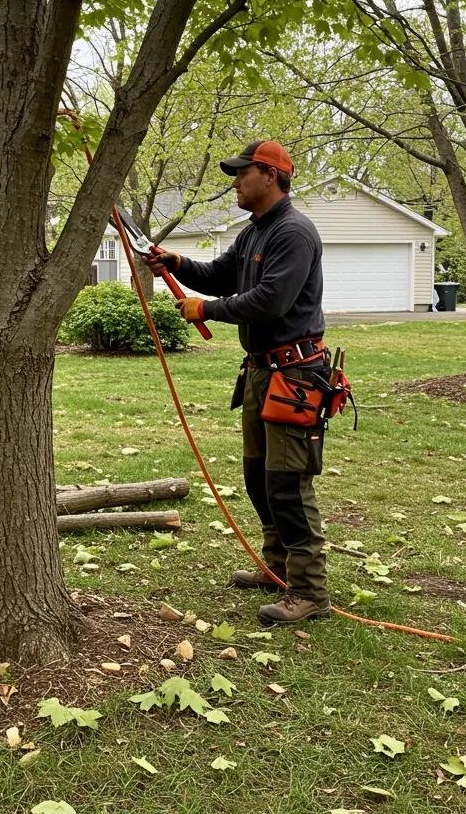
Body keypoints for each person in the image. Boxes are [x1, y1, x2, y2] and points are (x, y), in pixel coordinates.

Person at [144, 140, 331, 624]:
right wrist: (177, 265)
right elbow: (223, 274)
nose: (234, 182)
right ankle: (277, 568)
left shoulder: (293, 232)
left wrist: (203, 310)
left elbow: (271, 300)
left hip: (295, 375)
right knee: (258, 476)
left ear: (269, 175)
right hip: (262, 371)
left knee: (288, 484)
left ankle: (309, 592)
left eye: (241, 173)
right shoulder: (255, 232)